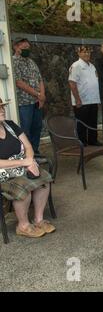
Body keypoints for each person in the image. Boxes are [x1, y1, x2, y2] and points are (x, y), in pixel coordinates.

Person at [0, 99, 54, 238]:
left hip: (21, 166)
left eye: (2, 107)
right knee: (23, 187)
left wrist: (30, 162)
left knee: (43, 179)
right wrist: (24, 162)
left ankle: (38, 219)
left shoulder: (10, 125)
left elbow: (28, 146)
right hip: (3, 174)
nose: (2, 110)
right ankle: (22, 225)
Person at [12, 37, 45, 156]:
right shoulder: (13, 62)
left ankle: (35, 151)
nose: (27, 49)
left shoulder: (31, 62)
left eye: (28, 47)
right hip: (24, 103)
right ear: (16, 47)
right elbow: (19, 82)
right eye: (24, 47)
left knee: (37, 127)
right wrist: (37, 94)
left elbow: (39, 79)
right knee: (26, 129)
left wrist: (42, 96)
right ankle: (28, 154)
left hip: (36, 101)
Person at [68, 46, 102, 146]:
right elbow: (72, 84)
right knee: (82, 124)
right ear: (78, 53)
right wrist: (77, 99)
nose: (87, 54)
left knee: (93, 122)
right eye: (84, 52)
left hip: (93, 100)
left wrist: (97, 99)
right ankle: (82, 142)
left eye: (88, 52)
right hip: (81, 101)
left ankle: (93, 140)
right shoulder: (76, 66)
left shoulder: (92, 66)